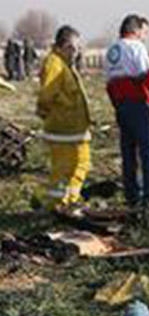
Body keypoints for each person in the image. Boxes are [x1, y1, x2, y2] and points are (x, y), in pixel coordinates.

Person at [105, 14, 149, 213]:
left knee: (128, 151)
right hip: (137, 103)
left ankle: (131, 194)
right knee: (148, 150)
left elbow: (109, 85)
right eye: (144, 32)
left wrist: (117, 106)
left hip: (121, 105)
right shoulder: (135, 47)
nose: (145, 36)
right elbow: (148, 77)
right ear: (135, 30)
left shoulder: (112, 50)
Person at [36, 25, 92, 212]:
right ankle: (55, 206)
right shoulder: (54, 63)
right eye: (72, 48)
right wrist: (59, 109)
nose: (75, 52)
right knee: (63, 170)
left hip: (76, 129)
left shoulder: (66, 64)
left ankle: (71, 199)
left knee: (82, 163)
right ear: (61, 46)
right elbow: (47, 95)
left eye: (77, 48)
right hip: (63, 129)